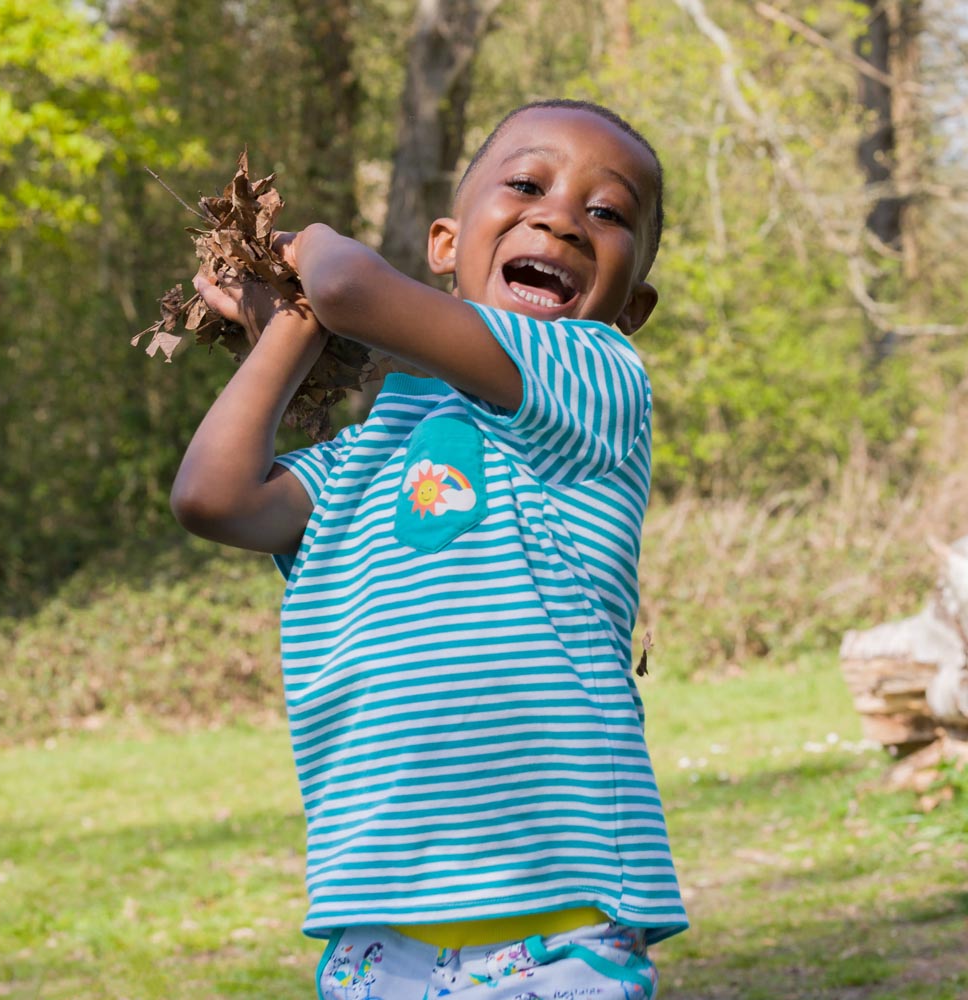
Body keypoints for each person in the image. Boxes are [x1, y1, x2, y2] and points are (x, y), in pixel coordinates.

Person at [172, 98, 688, 1000]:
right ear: (446, 246)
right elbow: (215, 498)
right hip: (383, 922)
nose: (562, 216)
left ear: (632, 305)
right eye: (526, 185)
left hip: (559, 908)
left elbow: (349, 288)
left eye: (606, 213)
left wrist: (304, 261)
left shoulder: (596, 377)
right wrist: (291, 326)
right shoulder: (368, 453)